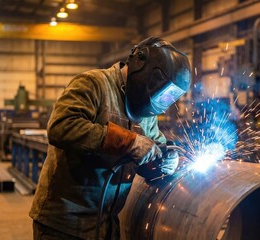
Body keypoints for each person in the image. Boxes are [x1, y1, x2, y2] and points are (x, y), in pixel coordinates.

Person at [29, 37, 191, 240]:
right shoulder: (93, 84)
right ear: (141, 67)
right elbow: (61, 127)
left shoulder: (146, 113)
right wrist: (129, 142)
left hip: (107, 226)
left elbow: (150, 153)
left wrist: (164, 161)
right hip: (64, 225)